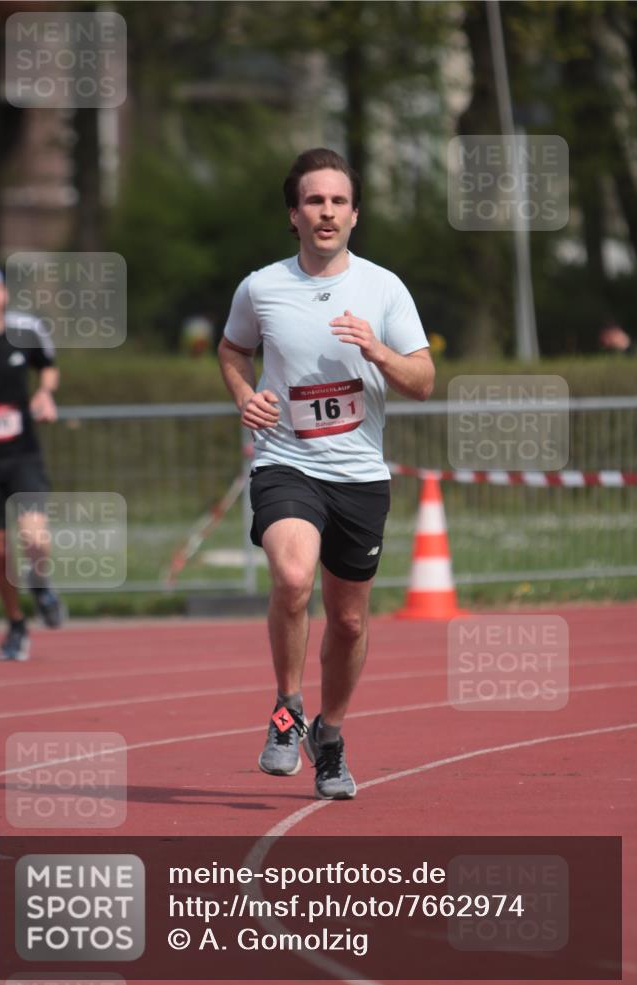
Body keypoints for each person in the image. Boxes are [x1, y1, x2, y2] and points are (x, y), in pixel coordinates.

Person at [218, 149, 434, 799]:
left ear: (354, 214)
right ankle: (285, 714)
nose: (326, 212)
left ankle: (329, 735)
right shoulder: (261, 287)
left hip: (360, 475)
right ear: (294, 214)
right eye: (314, 201)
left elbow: (422, 381)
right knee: (290, 577)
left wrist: (377, 351)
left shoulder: (383, 289)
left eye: (337, 201)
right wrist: (241, 394)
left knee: (347, 622)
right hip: (287, 461)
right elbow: (233, 348)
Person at [0, 262, 65, 661]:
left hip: (22, 454)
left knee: (34, 537)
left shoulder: (24, 332)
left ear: (5, 294)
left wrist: (45, 394)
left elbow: (47, 368)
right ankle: (15, 624)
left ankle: (41, 584)